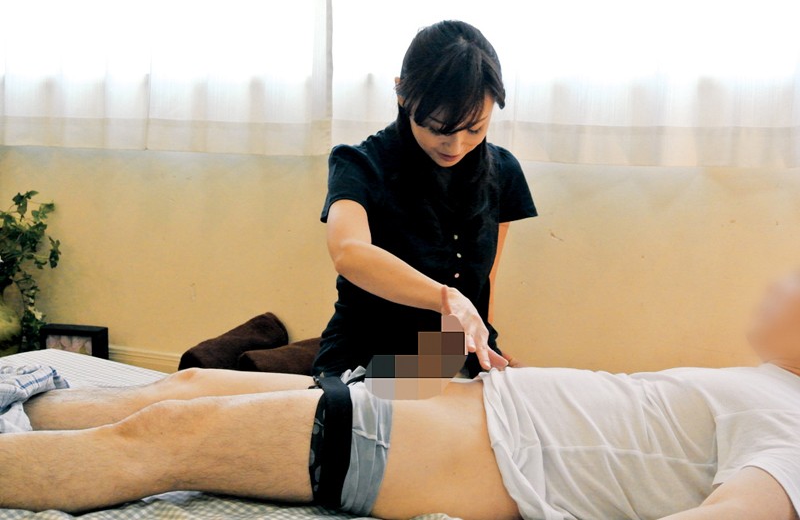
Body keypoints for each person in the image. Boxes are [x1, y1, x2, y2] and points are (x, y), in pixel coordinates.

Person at [3, 274, 800, 519]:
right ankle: (22, 403)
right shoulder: (769, 383)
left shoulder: (794, 435)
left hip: (445, 445)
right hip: (442, 383)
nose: (777, 285)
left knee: (170, 432)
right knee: (187, 384)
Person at [314, 20, 537, 379]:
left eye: (475, 128)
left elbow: (484, 282)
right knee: (402, 408)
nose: (456, 145)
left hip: (451, 358)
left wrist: (484, 344)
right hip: (370, 360)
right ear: (402, 95)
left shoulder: (502, 171)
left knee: (543, 400)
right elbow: (349, 253)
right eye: (438, 128)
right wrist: (446, 298)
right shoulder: (358, 163)